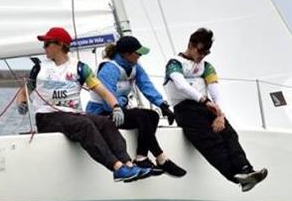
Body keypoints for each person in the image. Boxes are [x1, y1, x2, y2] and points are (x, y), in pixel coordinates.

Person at [16, 27, 151, 182]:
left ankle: (128, 164)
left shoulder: (80, 68)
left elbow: (102, 90)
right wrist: (22, 103)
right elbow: (25, 90)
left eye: (47, 44)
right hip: (47, 116)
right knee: (84, 124)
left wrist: (116, 107)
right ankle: (117, 168)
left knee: (105, 123)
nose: (43, 47)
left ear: (59, 45)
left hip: (72, 114)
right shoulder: (40, 67)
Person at [163, 28, 268, 192]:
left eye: (207, 52)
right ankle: (236, 177)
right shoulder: (174, 63)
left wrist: (220, 115)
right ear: (190, 45)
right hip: (186, 109)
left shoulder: (206, 66)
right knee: (213, 143)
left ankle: (246, 170)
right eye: (201, 51)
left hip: (208, 107)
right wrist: (204, 101)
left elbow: (215, 90)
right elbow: (181, 85)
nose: (203, 55)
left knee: (229, 134)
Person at [86, 36, 186, 178]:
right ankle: (161, 158)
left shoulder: (134, 67)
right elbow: (108, 103)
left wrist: (162, 105)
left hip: (119, 110)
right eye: (138, 53)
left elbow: (146, 86)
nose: (140, 56)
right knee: (141, 115)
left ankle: (141, 157)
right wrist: (123, 100)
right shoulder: (108, 69)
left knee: (153, 115)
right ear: (127, 54)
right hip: (101, 113)